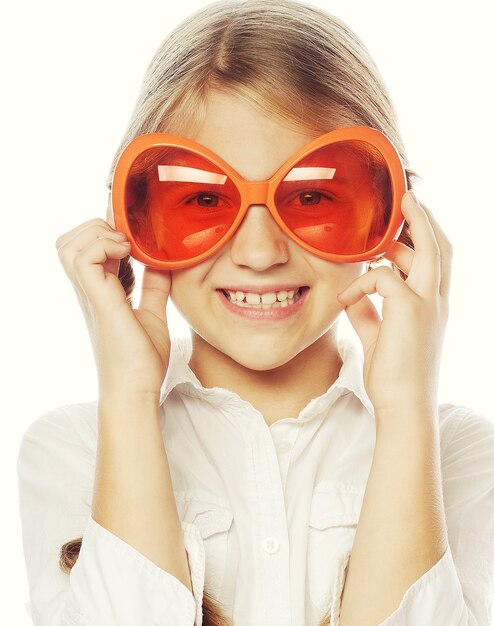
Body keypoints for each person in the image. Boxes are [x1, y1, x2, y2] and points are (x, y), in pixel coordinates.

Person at [16, 1, 494, 625]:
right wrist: (130, 398)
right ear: (136, 216)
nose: (261, 253)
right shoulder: (74, 449)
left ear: (392, 217)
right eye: (205, 199)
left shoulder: (459, 454)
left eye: (313, 195)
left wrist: (407, 413)